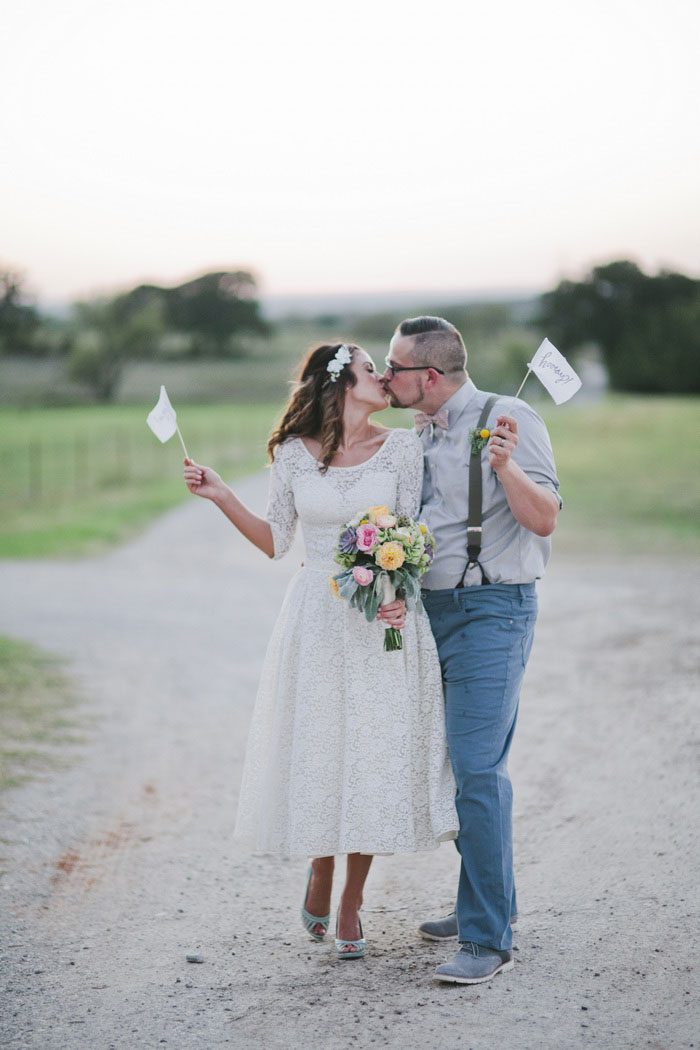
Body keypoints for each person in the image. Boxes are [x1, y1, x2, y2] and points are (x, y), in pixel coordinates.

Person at [184, 342, 458, 960]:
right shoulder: (291, 455)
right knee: (323, 748)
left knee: (371, 756)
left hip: (383, 619)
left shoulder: (403, 447)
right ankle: (319, 869)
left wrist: (401, 591)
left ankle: (353, 901)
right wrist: (225, 494)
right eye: (371, 369)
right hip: (317, 617)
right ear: (340, 383)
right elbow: (277, 541)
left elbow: (414, 534)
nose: (384, 376)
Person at [382, 316, 561, 985]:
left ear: (428, 377)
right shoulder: (419, 432)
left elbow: (544, 520)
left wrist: (505, 468)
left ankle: (489, 939)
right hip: (431, 613)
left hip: (492, 611)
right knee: (450, 763)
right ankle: (482, 898)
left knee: (479, 767)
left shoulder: (510, 414)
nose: (383, 374)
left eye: (392, 366)